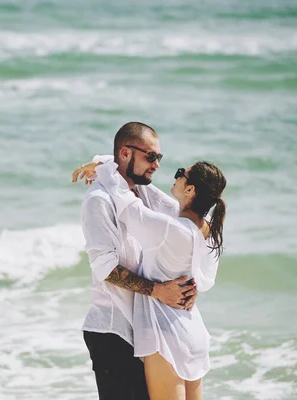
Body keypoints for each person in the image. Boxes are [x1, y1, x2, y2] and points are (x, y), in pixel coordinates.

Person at [76, 141, 227, 399]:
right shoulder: (209, 230)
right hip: (192, 331)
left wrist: (107, 170)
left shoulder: (171, 229)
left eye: (181, 173)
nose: (172, 174)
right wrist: (107, 164)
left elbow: (128, 205)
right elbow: (151, 196)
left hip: (163, 335)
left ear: (190, 189)